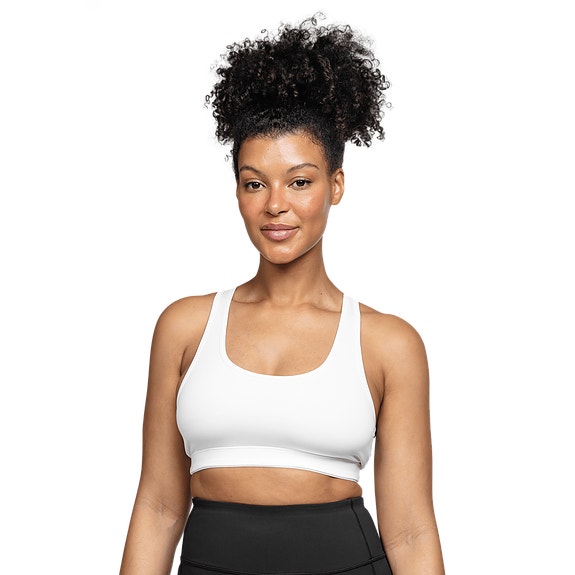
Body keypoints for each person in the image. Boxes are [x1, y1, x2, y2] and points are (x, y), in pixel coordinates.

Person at [120, 14, 445, 575]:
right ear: (238, 191)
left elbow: (412, 530)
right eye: (255, 183)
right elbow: (158, 506)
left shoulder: (388, 344)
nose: (275, 205)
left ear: (335, 185)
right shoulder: (185, 328)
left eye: (299, 181)